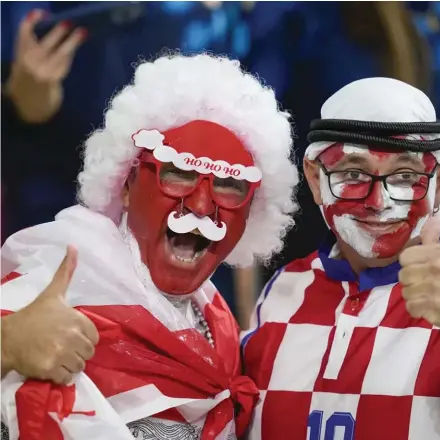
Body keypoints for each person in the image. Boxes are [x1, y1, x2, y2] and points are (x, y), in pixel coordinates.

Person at [241, 78, 440, 440]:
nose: (379, 203)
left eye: (405, 176)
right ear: (315, 179)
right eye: (353, 173)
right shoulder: (283, 291)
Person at [0, 52, 298, 439]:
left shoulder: (220, 325)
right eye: (178, 174)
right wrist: (6, 343)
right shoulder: (60, 268)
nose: (202, 206)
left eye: (229, 185)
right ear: (126, 183)